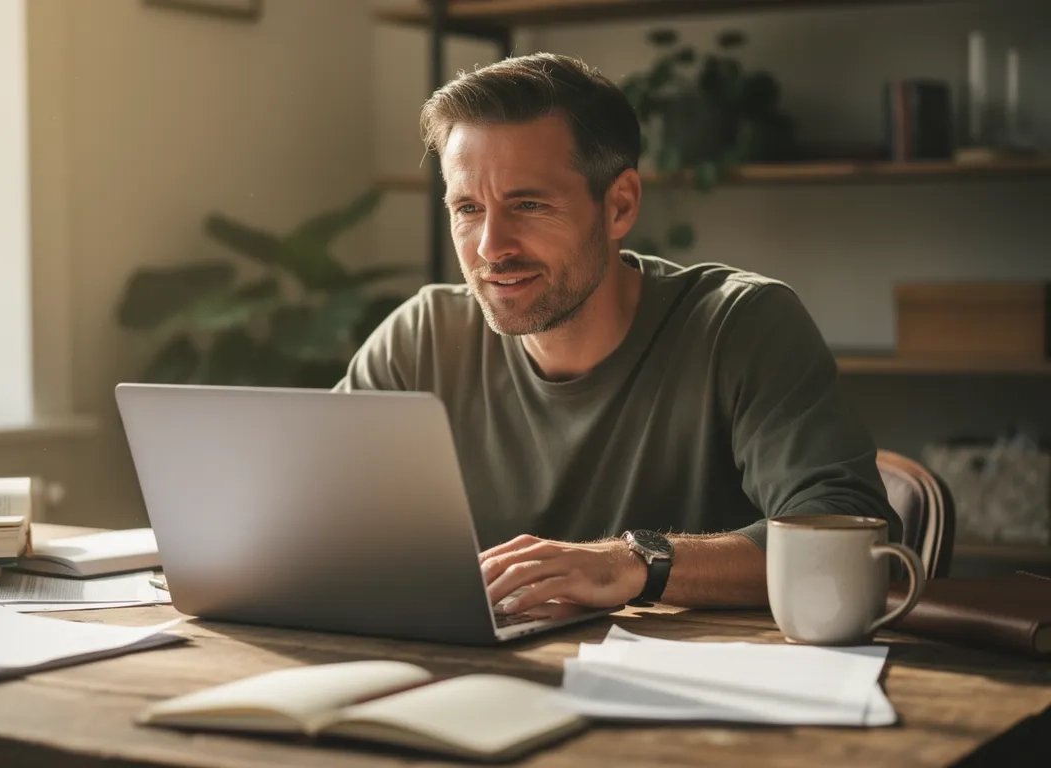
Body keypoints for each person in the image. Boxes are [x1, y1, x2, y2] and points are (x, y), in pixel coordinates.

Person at [333, 52, 901, 615]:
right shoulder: (421, 339)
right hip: (479, 677)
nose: (489, 247)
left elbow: (847, 538)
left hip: (691, 689)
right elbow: (302, 518)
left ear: (620, 205)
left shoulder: (741, 325)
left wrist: (633, 564)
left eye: (528, 204)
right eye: (467, 208)